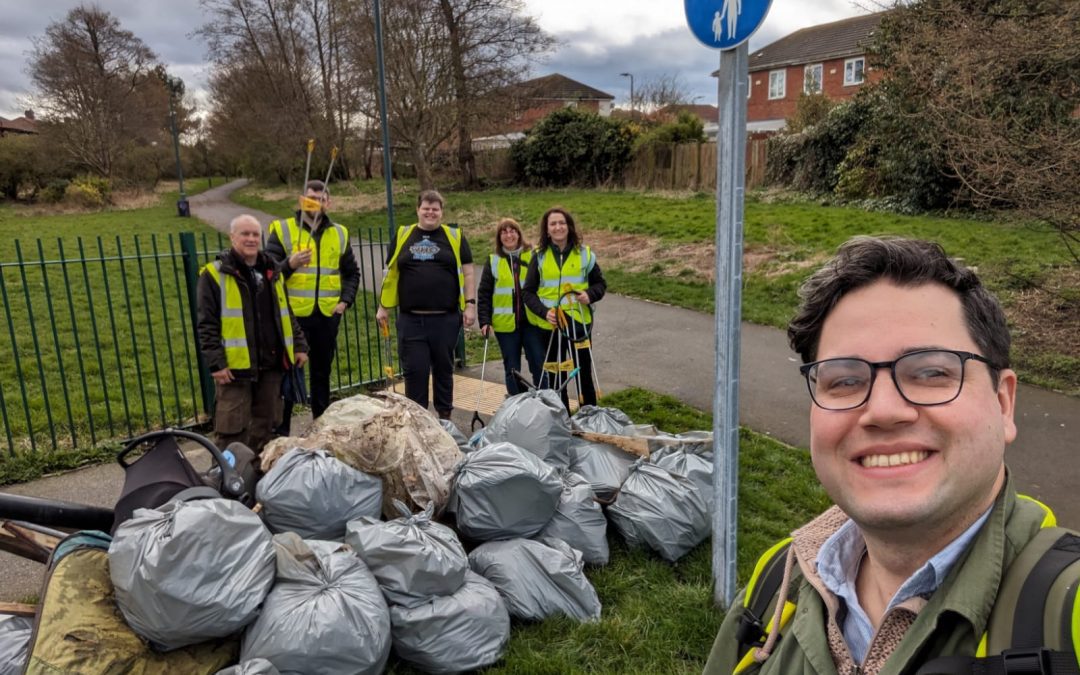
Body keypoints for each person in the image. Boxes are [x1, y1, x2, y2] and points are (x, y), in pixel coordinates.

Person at [704, 236, 1076, 674]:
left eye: (931, 372)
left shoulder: (1066, 611)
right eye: (843, 380)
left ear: (1003, 403)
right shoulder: (779, 581)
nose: (882, 411)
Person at [197, 214, 308, 455]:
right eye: (244, 234)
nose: (250, 239)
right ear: (232, 237)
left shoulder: (272, 270)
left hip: (271, 364)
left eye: (255, 234)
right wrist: (216, 363)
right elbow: (207, 324)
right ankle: (228, 480)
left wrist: (299, 345)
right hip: (236, 368)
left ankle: (260, 479)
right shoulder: (215, 274)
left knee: (267, 425)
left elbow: (286, 312)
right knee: (231, 429)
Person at [266, 179, 360, 433]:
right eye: (310, 199)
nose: (315, 203)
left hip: (326, 316)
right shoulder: (282, 230)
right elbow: (267, 275)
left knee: (321, 374)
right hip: (292, 318)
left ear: (328, 202)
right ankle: (281, 433)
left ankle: (321, 427)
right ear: (301, 200)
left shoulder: (339, 233)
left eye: (320, 199)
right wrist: (289, 264)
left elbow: (351, 273)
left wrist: (344, 302)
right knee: (288, 376)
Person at [376, 190, 476, 419]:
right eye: (426, 208)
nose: (430, 212)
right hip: (411, 320)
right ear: (418, 210)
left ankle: (445, 420)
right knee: (415, 373)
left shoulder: (455, 236)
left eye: (435, 208)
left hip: (445, 318)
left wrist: (470, 305)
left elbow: (469, 273)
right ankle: (418, 421)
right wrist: (384, 307)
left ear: (441, 212)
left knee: (443, 371)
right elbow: (389, 275)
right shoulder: (403, 235)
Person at [522, 207, 606, 411]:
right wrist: (545, 312)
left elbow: (600, 285)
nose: (558, 227)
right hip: (550, 324)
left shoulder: (585, 254)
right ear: (547, 230)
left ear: (569, 226)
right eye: (553, 224)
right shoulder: (539, 256)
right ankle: (561, 416)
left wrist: (590, 295)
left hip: (579, 325)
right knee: (555, 374)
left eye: (562, 223)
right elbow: (528, 293)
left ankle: (588, 416)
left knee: (582, 372)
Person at [477, 218, 546, 395]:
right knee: (512, 368)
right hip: (505, 326)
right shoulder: (493, 261)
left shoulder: (533, 256)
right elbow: (484, 293)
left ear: (519, 233)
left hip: (532, 322)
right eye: (504, 232)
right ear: (499, 237)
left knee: (539, 363)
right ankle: (517, 405)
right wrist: (484, 320)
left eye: (512, 231)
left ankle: (544, 402)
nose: (509, 235)